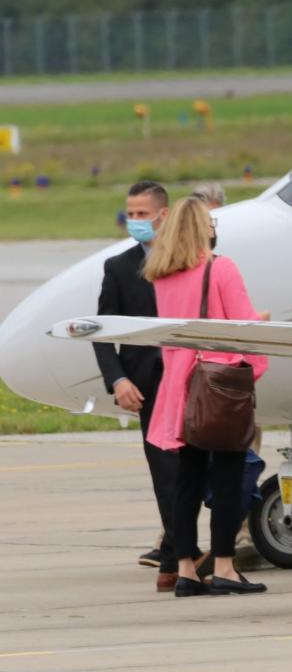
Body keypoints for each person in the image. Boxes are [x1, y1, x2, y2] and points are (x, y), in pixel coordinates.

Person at [145, 197, 271, 596]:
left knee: (187, 481)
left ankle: (184, 569)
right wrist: (261, 329)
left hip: (179, 389)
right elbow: (242, 327)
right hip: (217, 386)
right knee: (229, 477)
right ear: (205, 228)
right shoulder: (221, 267)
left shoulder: (161, 275)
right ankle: (224, 567)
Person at [92, 180, 187, 591]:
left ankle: (204, 549)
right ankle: (175, 558)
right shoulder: (118, 268)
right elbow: (102, 331)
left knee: (201, 471)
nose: (134, 221)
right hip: (147, 387)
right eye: (129, 214)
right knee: (165, 474)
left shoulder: (192, 261)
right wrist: (118, 379)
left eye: (141, 214)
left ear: (163, 216)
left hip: (191, 382)